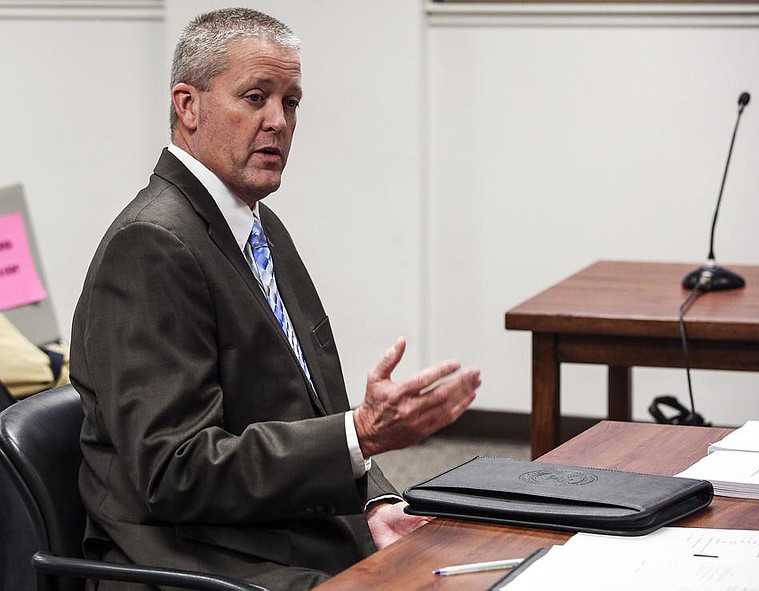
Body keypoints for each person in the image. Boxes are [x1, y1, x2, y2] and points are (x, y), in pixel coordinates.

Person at [70, 7, 481, 591]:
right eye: (256, 97)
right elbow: (174, 471)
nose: (278, 122)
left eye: (290, 103)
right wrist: (361, 434)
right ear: (187, 106)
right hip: (197, 558)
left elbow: (306, 409)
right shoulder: (151, 245)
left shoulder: (256, 226)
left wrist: (375, 501)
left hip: (272, 528)